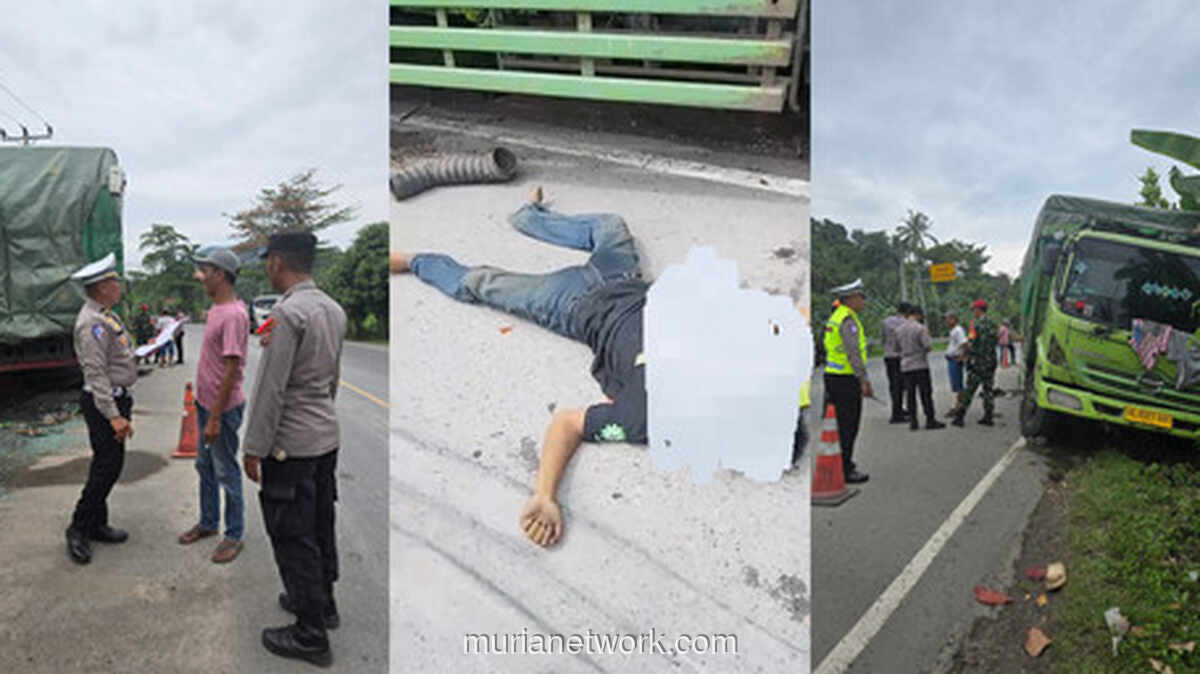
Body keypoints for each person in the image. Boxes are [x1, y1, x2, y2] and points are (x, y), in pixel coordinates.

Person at [393, 187, 651, 547]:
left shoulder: (643, 418)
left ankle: (415, 261)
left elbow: (568, 423)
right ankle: (530, 217)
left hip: (573, 305)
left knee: (481, 282)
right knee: (611, 225)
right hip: (624, 278)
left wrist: (545, 495)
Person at [243, 231, 346, 666]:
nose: (268, 266)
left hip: (291, 446)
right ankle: (324, 604)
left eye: (268, 260)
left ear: (278, 262)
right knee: (321, 522)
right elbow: (332, 381)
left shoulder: (287, 314)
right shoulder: (332, 309)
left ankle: (310, 635)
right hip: (324, 437)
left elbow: (270, 390)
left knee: (292, 535)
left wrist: (254, 447)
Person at [178, 248, 249, 564]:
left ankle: (234, 534)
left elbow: (232, 369)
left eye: (204, 270)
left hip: (222, 409)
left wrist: (216, 418)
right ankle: (209, 522)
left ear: (220, 274)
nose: (200, 276)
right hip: (206, 404)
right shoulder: (216, 309)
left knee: (225, 469)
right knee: (204, 466)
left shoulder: (233, 314)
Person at [65, 253, 136, 565]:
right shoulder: (91, 323)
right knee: (108, 466)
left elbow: (116, 354)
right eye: (113, 281)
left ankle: (97, 523)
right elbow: (96, 375)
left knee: (105, 463)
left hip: (118, 398)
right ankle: (79, 526)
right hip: (104, 403)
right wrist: (114, 415)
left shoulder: (106, 314)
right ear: (100, 287)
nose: (118, 285)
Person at [823, 279, 872, 484]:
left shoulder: (835, 317)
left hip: (833, 376)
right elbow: (853, 353)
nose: (863, 302)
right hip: (846, 379)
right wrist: (863, 380)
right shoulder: (847, 320)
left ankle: (841, 463)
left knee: (838, 424)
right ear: (850, 299)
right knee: (848, 425)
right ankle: (845, 468)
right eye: (861, 297)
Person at [896, 306, 945, 431]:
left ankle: (913, 421)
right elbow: (928, 346)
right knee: (925, 394)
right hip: (920, 364)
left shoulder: (898, 330)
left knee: (910, 395)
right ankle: (930, 420)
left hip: (906, 365)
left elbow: (896, 349)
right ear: (917, 315)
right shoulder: (920, 328)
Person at [953, 299, 998, 427]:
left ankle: (960, 417)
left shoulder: (975, 325)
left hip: (978, 362)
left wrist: (964, 355)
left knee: (970, 389)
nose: (973, 312)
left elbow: (970, 343)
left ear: (979, 310)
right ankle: (988, 417)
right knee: (988, 389)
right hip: (990, 361)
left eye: (974, 310)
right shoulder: (993, 323)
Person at [881, 302, 911, 424]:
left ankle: (898, 409)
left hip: (888, 356)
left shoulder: (886, 321)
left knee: (894, 385)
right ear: (908, 312)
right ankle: (897, 414)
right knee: (902, 385)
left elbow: (883, 338)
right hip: (900, 357)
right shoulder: (907, 323)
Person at [944, 311, 968, 412]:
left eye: (948, 319)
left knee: (958, 385)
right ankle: (959, 404)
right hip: (951, 359)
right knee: (955, 384)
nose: (946, 321)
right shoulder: (953, 330)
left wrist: (962, 357)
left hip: (955, 360)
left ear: (953, 319)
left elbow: (965, 344)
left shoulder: (958, 330)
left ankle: (959, 406)